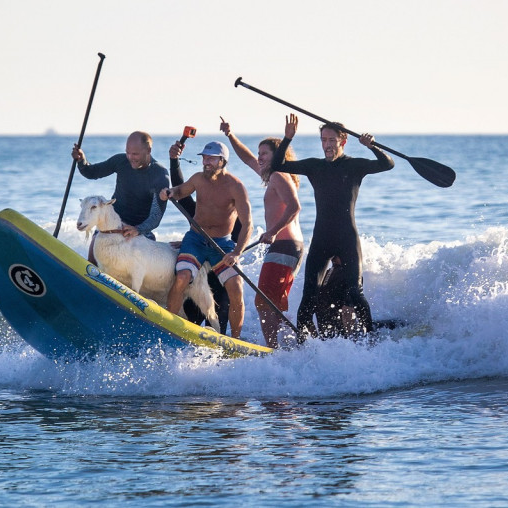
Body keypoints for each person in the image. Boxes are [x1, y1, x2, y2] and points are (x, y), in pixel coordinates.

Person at [272, 114, 395, 340]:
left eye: (331, 140)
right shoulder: (314, 166)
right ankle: (305, 345)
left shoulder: (354, 165)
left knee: (355, 293)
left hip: (347, 237)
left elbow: (387, 164)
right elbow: (277, 164)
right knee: (309, 295)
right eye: (323, 140)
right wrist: (287, 138)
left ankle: (371, 341)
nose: (326, 145)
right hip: (322, 238)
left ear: (343, 141)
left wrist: (372, 146)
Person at [220, 117, 304, 348]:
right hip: (284, 246)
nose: (259, 157)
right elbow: (247, 158)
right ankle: (292, 344)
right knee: (271, 301)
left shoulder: (279, 176)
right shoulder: (272, 175)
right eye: (260, 153)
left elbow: (295, 207)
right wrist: (230, 135)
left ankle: (273, 349)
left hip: (285, 245)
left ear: (277, 156)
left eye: (264, 154)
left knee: (263, 301)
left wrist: (273, 231)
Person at [159, 141, 253, 338]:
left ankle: (235, 340)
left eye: (210, 158)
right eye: (204, 158)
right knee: (182, 277)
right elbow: (180, 191)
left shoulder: (236, 186)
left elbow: (248, 224)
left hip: (223, 244)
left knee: (236, 287)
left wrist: (236, 252)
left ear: (222, 161)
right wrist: (170, 192)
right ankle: (167, 327)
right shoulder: (198, 179)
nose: (205, 162)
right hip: (195, 240)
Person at [72, 131, 169, 264]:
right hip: (113, 222)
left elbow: (156, 215)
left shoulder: (160, 174)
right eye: (128, 152)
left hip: (139, 228)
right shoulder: (120, 161)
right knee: (93, 260)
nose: (130, 157)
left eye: (135, 154)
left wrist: (139, 229)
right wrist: (81, 161)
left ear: (148, 150)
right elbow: (92, 172)